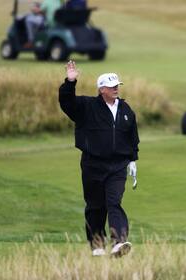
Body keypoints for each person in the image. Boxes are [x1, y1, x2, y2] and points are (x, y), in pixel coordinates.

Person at [59, 60, 139, 257]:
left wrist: (133, 159)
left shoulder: (126, 109)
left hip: (117, 165)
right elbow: (67, 102)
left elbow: (132, 136)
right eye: (111, 87)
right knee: (95, 206)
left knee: (114, 202)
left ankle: (119, 243)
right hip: (92, 164)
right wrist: (70, 82)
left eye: (117, 86)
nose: (115, 89)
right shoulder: (87, 106)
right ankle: (97, 244)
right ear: (101, 89)